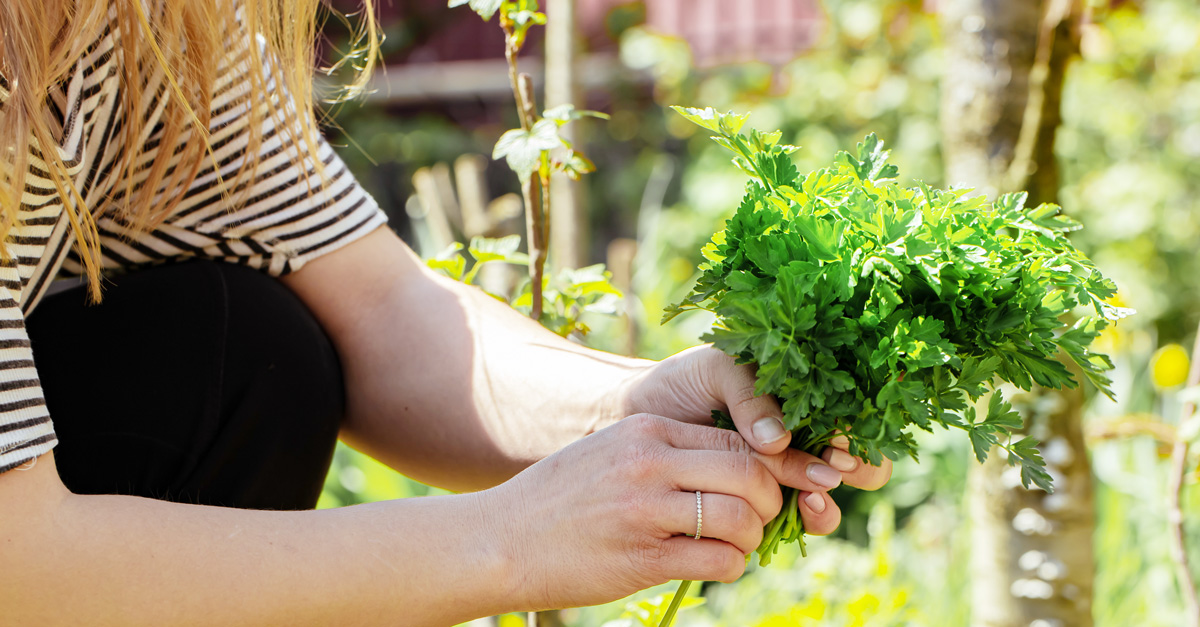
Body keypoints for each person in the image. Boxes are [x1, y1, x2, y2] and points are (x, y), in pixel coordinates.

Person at [0, 1, 892, 624]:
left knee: (241, 342)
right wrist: (508, 540)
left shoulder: (149, 26)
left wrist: (666, 404)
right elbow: (18, 562)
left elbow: (388, 311)